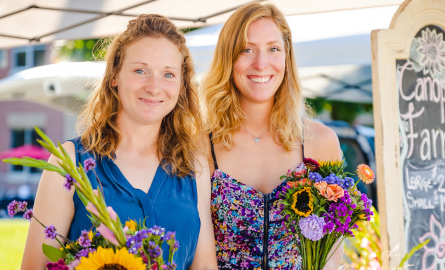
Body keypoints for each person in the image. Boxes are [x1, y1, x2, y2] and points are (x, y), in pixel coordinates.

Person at [21, 14, 217, 270]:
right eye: (140, 71)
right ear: (115, 76)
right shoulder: (70, 160)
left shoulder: (194, 167)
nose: (154, 86)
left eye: (168, 74)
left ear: (181, 86)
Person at [202, 3, 344, 269]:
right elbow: (198, 250)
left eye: (273, 49)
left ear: (287, 57)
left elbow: (333, 248)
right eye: (247, 49)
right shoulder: (200, 144)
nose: (260, 63)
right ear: (228, 57)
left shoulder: (320, 142)